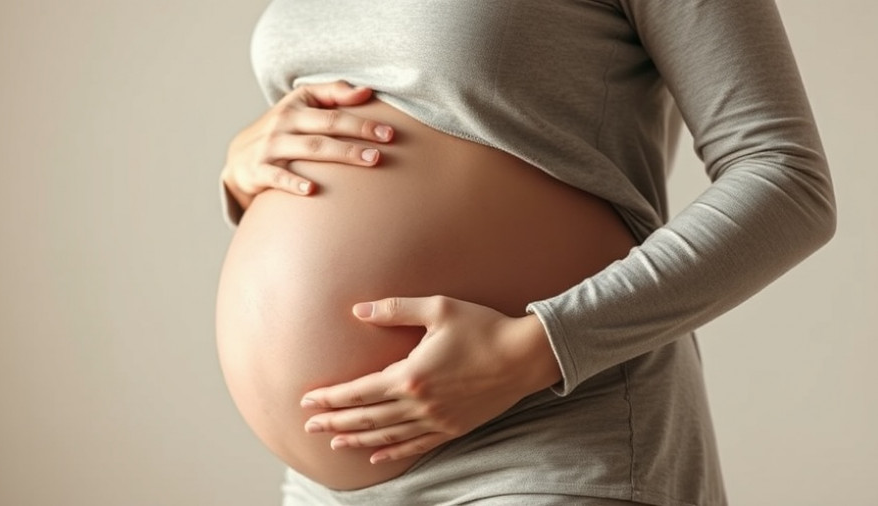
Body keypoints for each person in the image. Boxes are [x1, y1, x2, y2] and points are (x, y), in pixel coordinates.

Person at [216, 1, 836, 505]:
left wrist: (537, 348)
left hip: (550, 444)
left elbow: (785, 179)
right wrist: (243, 168)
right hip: (324, 483)